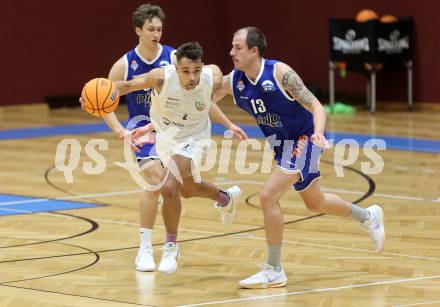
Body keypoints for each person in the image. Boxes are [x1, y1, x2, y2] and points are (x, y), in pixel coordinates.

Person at [215, 27, 385, 289]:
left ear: (254, 50)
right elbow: (203, 100)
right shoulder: (234, 82)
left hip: (306, 138)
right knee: (315, 202)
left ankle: (274, 270)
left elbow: (316, 105)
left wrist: (318, 133)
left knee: (267, 196)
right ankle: (368, 217)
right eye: (232, 47)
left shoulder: (279, 73)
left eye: (237, 47)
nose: (231, 52)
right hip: (282, 145)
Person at [116, 42, 246, 274]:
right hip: (165, 136)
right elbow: (126, 85)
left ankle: (170, 246)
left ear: (202, 67)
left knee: (167, 186)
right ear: (176, 68)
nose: (192, 77)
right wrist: (97, 91)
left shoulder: (210, 77)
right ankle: (225, 199)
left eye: (196, 70)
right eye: (186, 71)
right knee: (185, 189)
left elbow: (218, 89)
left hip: (194, 138)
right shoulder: (160, 77)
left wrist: (228, 122)